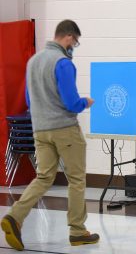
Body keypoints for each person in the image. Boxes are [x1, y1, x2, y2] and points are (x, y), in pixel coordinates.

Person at [1, 19, 99, 251]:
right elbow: (71, 102)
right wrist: (86, 101)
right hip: (64, 130)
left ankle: (14, 216)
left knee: (44, 177)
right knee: (76, 179)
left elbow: (28, 99)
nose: (74, 46)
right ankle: (77, 231)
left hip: (40, 130)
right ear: (68, 37)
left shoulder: (33, 62)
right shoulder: (63, 63)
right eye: (75, 41)